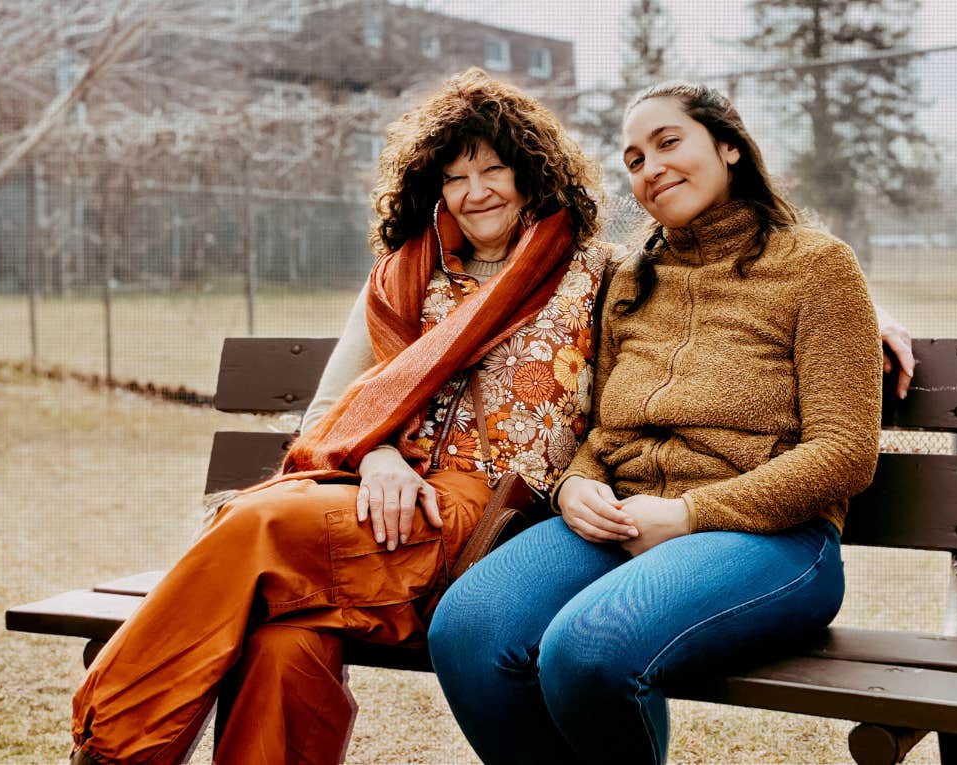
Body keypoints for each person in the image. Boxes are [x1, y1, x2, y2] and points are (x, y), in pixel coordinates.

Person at [68, 68, 610, 765]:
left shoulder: (593, 276)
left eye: (493, 169)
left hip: (490, 529)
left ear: (532, 171)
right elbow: (331, 410)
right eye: (454, 177)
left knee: (257, 525)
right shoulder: (404, 274)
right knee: (283, 639)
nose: (474, 192)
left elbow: (624, 410)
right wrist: (380, 454)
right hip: (376, 512)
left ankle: (111, 750)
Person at [428, 81, 886, 765]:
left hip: (775, 539)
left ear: (728, 145)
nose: (651, 169)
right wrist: (574, 486)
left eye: (668, 142)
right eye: (634, 159)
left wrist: (693, 513)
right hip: (624, 519)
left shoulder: (817, 266)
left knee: (589, 647)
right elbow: (601, 433)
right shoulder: (632, 278)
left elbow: (844, 452)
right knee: (467, 627)